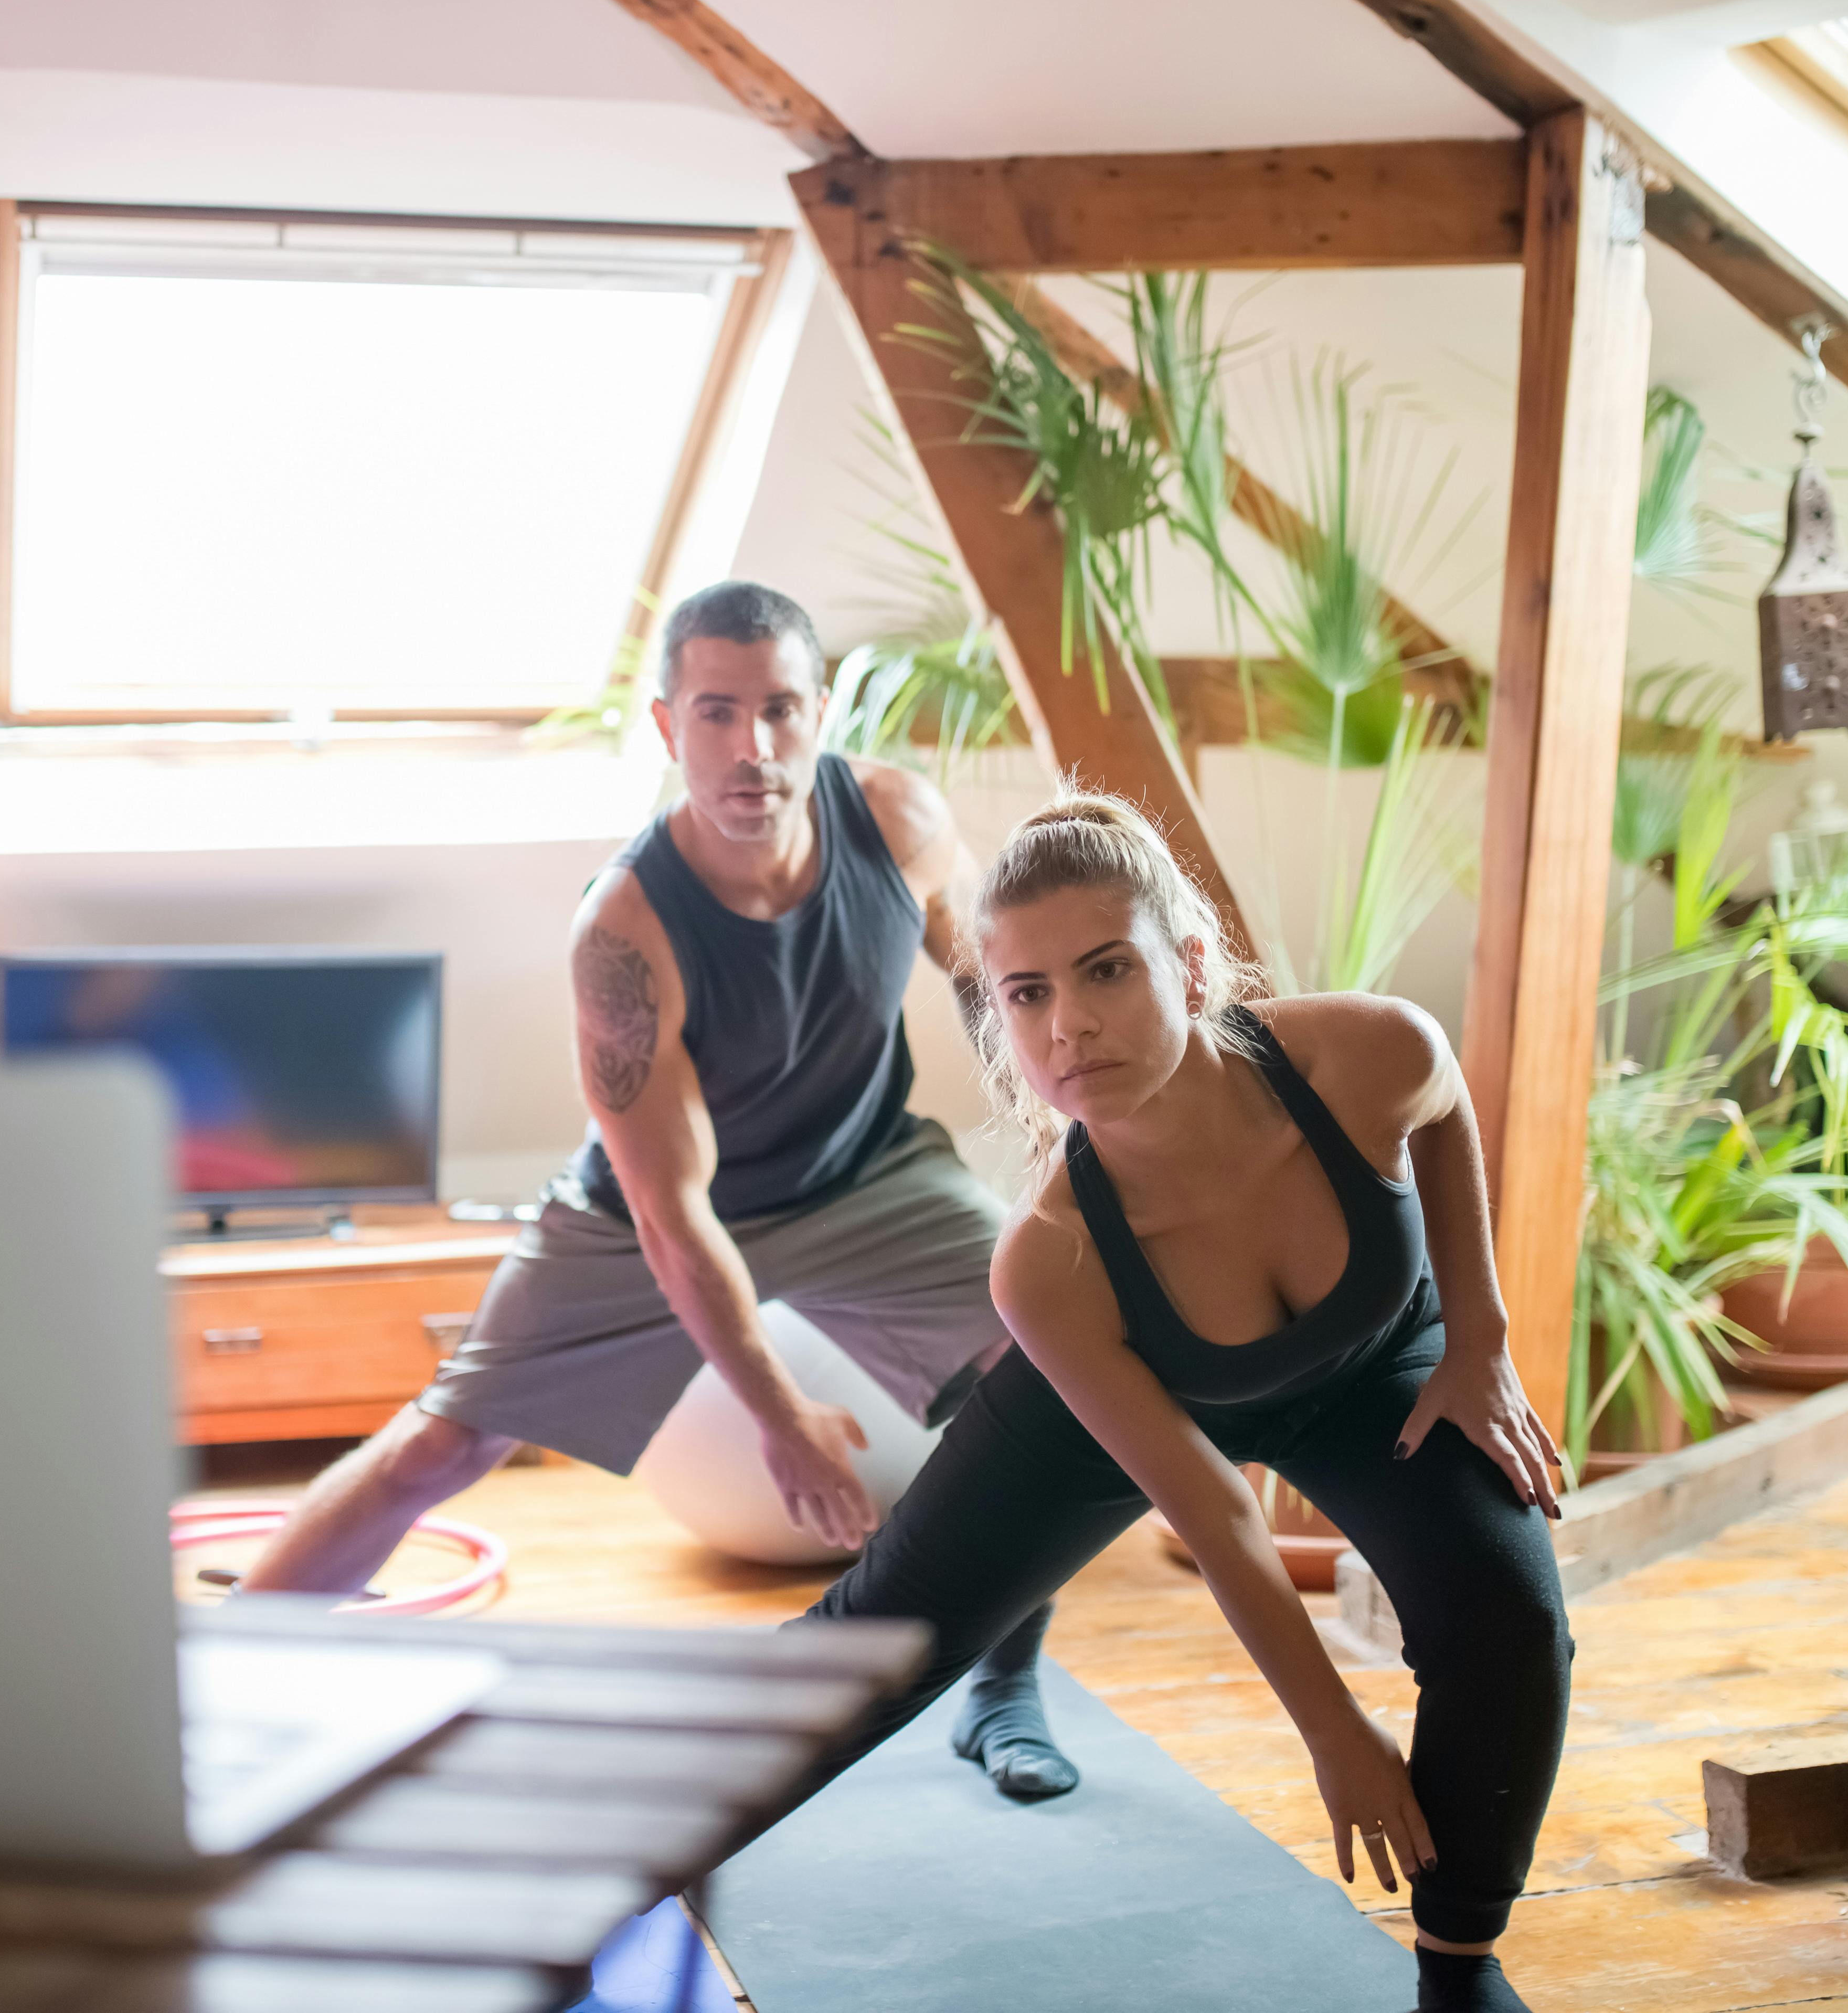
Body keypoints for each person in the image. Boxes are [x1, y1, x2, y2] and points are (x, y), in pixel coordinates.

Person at [239, 580, 1076, 1800]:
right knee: (443, 1447)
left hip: (863, 1172)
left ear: (822, 709)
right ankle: (213, 1678)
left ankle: (1001, 1684)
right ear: (665, 723)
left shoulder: (897, 821)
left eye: (781, 710)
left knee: (1048, 1351)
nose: (753, 749)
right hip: (654, 1214)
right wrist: (783, 1414)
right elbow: (675, 1219)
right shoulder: (625, 930)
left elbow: (986, 972)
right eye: (718, 714)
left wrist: (1053, 1125)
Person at [788, 790, 1573, 2013]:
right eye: (1028, 994)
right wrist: (1331, 1729)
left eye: (1106, 970)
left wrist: (1480, 1340)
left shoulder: (1363, 1054)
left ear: (1192, 964)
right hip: (1124, 1391)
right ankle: (607, 1847)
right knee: (869, 1652)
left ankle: (1461, 1972)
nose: (1069, 1025)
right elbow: (1219, 1518)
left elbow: (1444, 1105)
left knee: (1509, 1622)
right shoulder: (1048, 1262)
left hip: (1372, 1370)